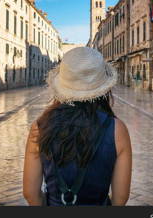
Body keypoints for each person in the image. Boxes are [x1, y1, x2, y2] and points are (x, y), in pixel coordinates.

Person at [23, 47, 132, 206]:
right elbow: (120, 198)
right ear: (103, 87)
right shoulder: (117, 129)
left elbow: (30, 194)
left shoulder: (40, 127)